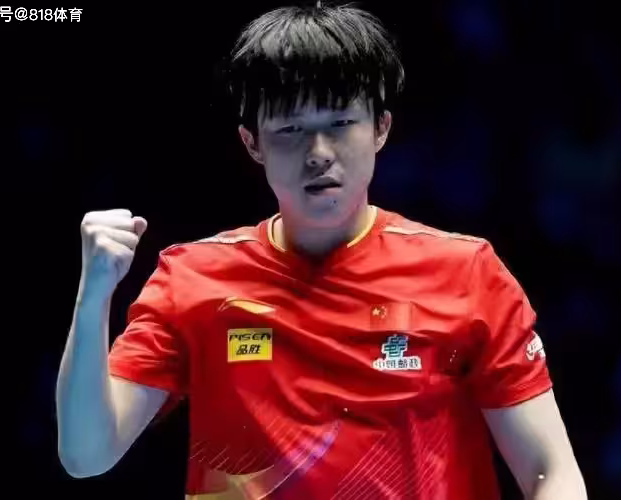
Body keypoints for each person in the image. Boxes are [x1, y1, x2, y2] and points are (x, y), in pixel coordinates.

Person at [56, 3, 587, 499]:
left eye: (340, 123)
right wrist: (93, 294)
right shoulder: (192, 280)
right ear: (252, 143)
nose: (318, 153)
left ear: (380, 128)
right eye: (290, 129)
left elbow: (551, 471)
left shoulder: (466, 273)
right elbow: (86, 454)